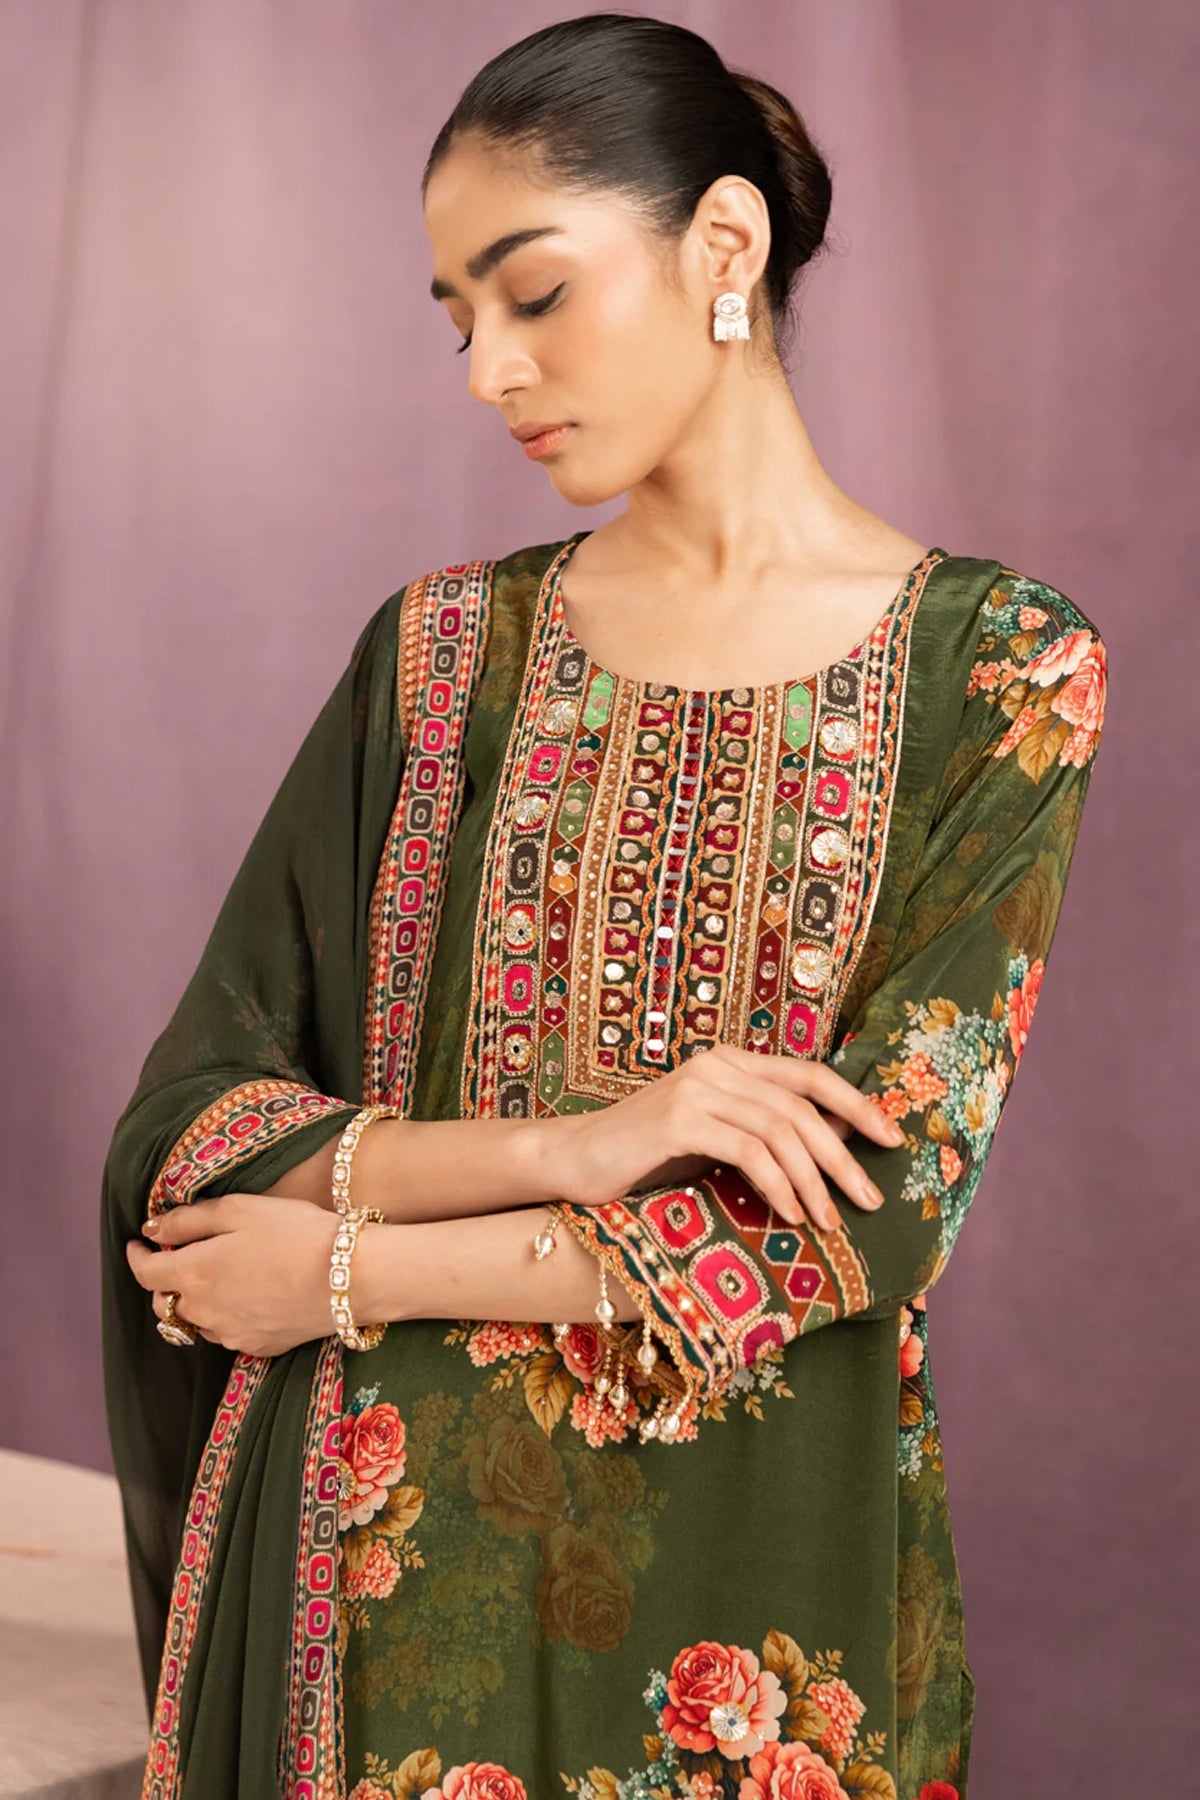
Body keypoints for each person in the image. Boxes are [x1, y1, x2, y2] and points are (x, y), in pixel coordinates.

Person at [101, 14, 1108, 1799]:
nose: (488, 368)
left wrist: (344, 1272)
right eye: (456, 317)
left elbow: (866, 1214)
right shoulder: (442, 661)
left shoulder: (1006, 672)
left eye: (533, 293)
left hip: (765, 1614)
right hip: (378, 1603)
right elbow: (199, 1134)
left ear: (724, 249)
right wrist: (579, 1147)